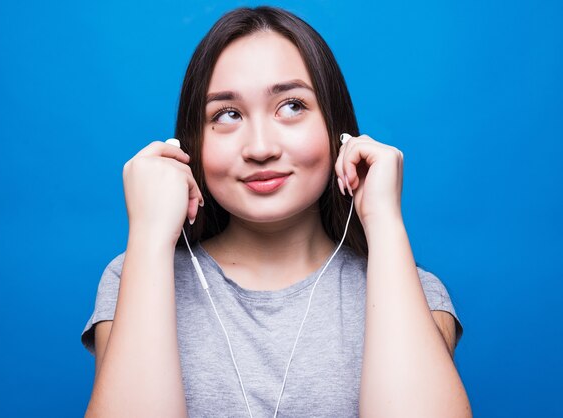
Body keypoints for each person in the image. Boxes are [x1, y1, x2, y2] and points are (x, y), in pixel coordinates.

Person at [81, 6, 471, 417]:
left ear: (334, 124)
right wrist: (148, 233)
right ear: (191, 142)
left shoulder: (411, 289)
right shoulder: (135, 275)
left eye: (291, 106)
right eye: (227, 114)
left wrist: (384, 222)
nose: (261, 147)